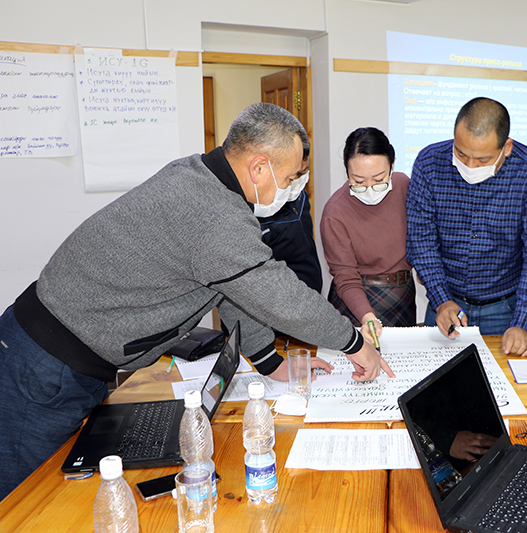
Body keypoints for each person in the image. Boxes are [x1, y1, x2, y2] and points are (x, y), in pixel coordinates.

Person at [0, 103, 393, 500]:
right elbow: (277, 294)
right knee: (23, 500)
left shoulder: (199, 177)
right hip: (42, 366)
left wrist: (270, 363)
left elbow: (233, 288)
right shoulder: (213, 214)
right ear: (260, 168)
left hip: (63, 360)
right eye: (291, 177)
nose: (294, 189)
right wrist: (353, 343)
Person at [406, 97, 527, 357]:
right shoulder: (429, 163)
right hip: (444, 303)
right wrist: (441, 299)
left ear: (506, 147)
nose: (469, 166)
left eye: (482, 159)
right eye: (461, 154)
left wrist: (522, 321)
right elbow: (421, 240)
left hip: (506, 309)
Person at [321, 127, 415, 334]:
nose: (370, 188)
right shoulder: (335, 213)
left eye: (379, 180)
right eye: (359, 182)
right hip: (357, 298)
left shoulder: (404, 186)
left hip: (402, 294)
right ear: (346, 171)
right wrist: (367, 317)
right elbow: (346, 277)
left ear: (392, 165)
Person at [256, 135, 323, 294]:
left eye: (303, 172)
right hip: (278, 299)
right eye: (293, 176)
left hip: (310, 295)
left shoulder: (300, 196)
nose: (297, 181)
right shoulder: (257, 206)